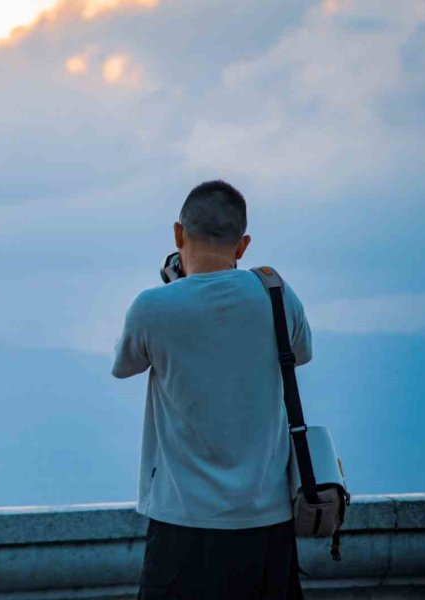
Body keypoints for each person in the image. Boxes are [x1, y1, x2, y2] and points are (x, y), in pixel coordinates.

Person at [112, 180, 312, 600]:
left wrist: (174, 289)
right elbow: (302, 353)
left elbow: (123, 366)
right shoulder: (277, 295)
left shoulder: (153, 307)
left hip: (181, 521)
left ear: (178, 235)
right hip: (266, 521)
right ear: (242, 246)